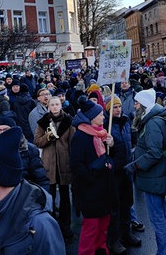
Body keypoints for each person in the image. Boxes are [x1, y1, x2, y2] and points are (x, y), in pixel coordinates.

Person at [124, 88, 166, 255]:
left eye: (137, 102)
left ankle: (164, 252)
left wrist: (135, 165)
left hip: (154, 177)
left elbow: (154, 152)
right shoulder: (153, 120)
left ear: (145, 104)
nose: (135, 105)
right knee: (161, 215)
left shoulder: (153, 123)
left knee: (157, 218)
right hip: (155, 176)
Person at [70, 96, 115, 254]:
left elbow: (109, 157)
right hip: (90, 191)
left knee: (103, 227)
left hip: (104, 189)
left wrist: (111, 145)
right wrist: (92, 178)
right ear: (92, 118)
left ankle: (101, 250)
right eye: (100, 114)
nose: (104, 116)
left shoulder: (102, 134)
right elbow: (76, 165)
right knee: (91, 230)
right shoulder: (80, 137)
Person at [34, 97, 75, 242]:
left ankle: (66, 227)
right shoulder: (43, 122)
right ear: (48, 106)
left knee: (65, 197)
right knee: (49, 198)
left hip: (64, 164)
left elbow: (73, 143)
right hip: (49, 165)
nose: (55, 107)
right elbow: (37, 141)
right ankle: (51, 228)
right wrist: (48, 137)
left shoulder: (69, 121)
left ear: (61, 105)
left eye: (57, 104)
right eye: (52, 104)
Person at [103, 96, 141, 253]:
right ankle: (113, 239)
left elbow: (130, 142)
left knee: (127, 203)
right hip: (114, 172)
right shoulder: (106, 126)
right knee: (115, 207)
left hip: (127, 170)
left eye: (119, 106)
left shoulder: (126, 122)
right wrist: (109, 146)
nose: (118, 110)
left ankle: (126, 234)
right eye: (114, 107)